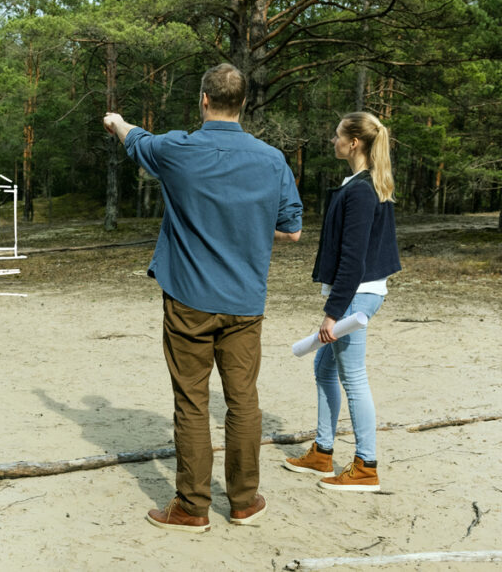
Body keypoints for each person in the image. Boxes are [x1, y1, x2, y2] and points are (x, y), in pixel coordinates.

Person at [102, 63, 303, 533]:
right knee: (243, 402)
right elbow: (291, 230)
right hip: (245, 301)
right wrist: (248, 226)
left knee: (192, 402)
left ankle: (192, 508)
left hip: (188, 299)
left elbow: (135, 138)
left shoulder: (179, 149)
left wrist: (116, 121)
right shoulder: (272, 159)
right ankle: (244, 502)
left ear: (204, 100)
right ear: (243, 103)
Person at [284, 112, 400, 491]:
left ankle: (366, 466)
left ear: (354, 143)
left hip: (356, 297)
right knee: (323, 368)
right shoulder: (360, 184)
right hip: (359, 294)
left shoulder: (362, 191)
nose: (332, 141)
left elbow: (353, 260)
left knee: (353, 378)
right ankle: (322, 451)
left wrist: (332, 314)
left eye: (337, 136)